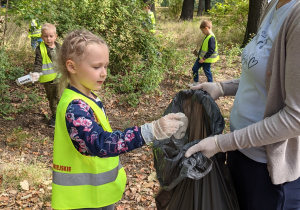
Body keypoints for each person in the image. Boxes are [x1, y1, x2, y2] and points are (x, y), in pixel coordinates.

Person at [51, 29, 188, 210]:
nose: (104, 73)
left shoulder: (88, 98)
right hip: (82, 201)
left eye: (106, 66)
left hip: (98, 195)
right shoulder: (75, 107)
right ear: (72, 67)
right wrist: (150, 131)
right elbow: (101, 143)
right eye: (96, 66)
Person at [185, 0, 300, 209]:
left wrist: (222, 143)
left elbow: (295, 118)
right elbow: (264, 78)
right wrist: (222, 87)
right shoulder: (273, 5)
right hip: (240, 152)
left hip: (267, 170)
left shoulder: (296, 17)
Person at [34, 23, 61, 127]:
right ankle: (55, 116)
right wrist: (36, 72)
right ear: (42, 37)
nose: (48, 39)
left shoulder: (59, 47)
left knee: (61, 98)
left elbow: (65, 60)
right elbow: (38, 62)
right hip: (48, 80)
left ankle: (64, 116)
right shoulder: (40, 48)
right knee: (52, 99)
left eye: (51, 36)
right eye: (45, 36)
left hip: (60, 78)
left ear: (55, 36)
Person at [188, 20, 219, 87]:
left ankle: (211, 85)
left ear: (206, 28)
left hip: (206, 59)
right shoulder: (207, 36)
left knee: (207, 71)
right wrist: (198, 53)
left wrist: (204, 58)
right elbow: (205, 48)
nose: (202, 32)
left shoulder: (211, 38)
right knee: (194, 69)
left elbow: (211, 50)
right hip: (201, 58)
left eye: (202, 31)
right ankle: (196, 83)